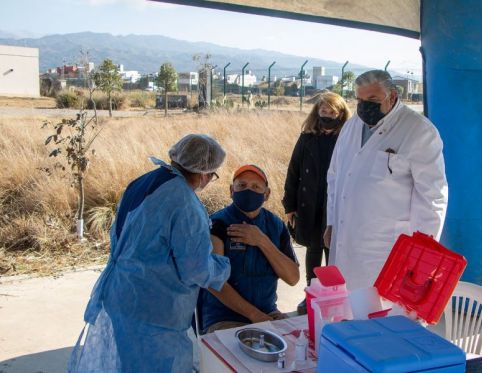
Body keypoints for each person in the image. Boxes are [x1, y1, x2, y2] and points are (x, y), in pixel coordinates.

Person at [68, 134, 231, 373]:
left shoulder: (143, 182)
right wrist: (222, 265)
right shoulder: (185, 203)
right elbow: (196, 269)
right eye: (212, 175)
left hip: (123, 293)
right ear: (204, 173)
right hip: (155, 311)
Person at [324, 70, 448, 291]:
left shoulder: (418, 130)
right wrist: (332, 222)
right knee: (344, 309)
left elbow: (432, 197)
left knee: (382, 312)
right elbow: (335, 177)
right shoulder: (352, 126)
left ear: (391, 96)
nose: (364, 106)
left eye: (372, 100)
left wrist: (421, 255)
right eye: (360, 100)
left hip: (386, 245)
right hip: (345, 238)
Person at [200, 165, 300, 333]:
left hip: (268, 314)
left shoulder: (275, 225)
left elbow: (293, 278)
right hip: (224, 318)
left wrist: (262, 241)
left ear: (266, 194)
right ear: (231, 190)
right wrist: (254, 315)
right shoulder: (217, 224)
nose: (248, 191)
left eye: (255, 187)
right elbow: (214, 281)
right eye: (242, 185)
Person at [282, 92, 351, 314]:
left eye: (332, 112)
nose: (327, 116)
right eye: (323, 111)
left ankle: (332, 297)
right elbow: (293, 172)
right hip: (309, 204)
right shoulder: (307, 138)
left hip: (335, 206)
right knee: (313, 250)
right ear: (317, 112)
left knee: (333, 251)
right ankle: (311, 295)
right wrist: (289, 206)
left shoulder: (347, 140)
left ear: (341, 114)